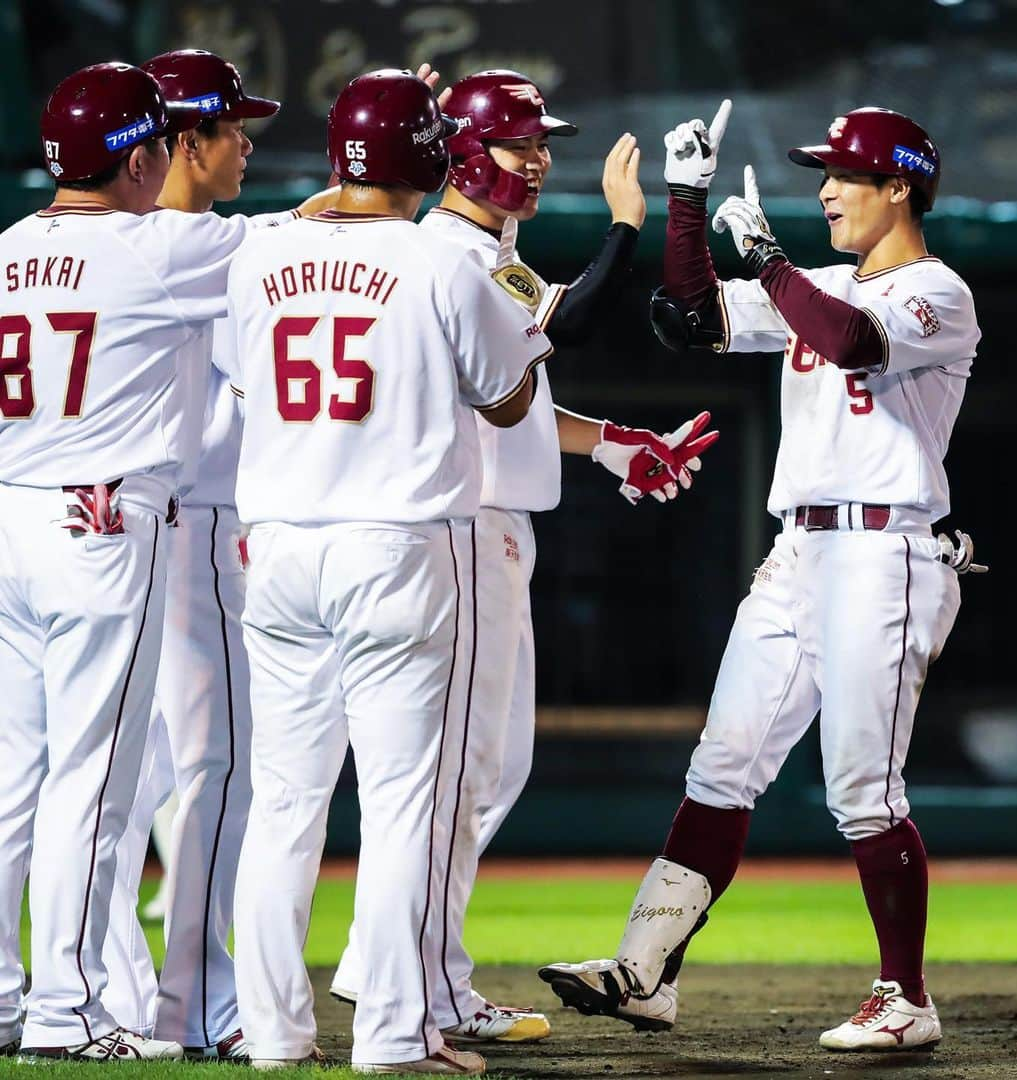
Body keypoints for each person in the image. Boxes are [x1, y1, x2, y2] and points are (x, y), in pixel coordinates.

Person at [539, 103, 985, 1052]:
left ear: (898, 186)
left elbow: (855, 340)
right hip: (799, 552)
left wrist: (773, 265)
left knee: (863, 787)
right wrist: (688, 203)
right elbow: (693, 317)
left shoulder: (939, 290)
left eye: (844, 175)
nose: (825, 188)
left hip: (887, 551)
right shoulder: (813, 283)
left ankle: (905, 996)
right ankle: (645, 971)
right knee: (724, 761)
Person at [226, 68, 634, 1075]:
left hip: (277, 550)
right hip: (398, 548)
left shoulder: (258, 255)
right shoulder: (441, 263)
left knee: (282, 806)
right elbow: (504, 401)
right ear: (433, 154)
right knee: (413, 798)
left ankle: (273, 1035)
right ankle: (398, 1034)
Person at [328, 69, 718, 1046]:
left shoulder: (481, 252)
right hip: (456, 531)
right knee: (460, 774)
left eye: (542, 140)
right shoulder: (453, 251)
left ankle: (408, 970)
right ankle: (411, 979)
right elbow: (571, 325)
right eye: (516, 142)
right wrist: (628, 228)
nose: (538, 158)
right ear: (459, 150)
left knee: (478, 773)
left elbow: (522, 393)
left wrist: (617, 441)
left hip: (474, 525)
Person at [0, 60, 262, 1061]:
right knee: (95, 780)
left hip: (11, 513)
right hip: (98, 523)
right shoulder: (154, 245)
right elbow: (301, 239)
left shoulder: (8, 246)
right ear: (144, 157)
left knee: (15, 777)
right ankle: (66, 1013)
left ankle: (7, 994)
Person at [96, 49, 337, 1060]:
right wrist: (374, 179)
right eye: (233, 128)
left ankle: (101, 995)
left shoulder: (96, 241)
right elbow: (301, 230)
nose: (248, 143)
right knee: (214, 771)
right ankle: (192, 1003)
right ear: (182, 141)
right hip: (189, 531)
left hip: (107, 525)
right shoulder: (186, 247)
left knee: (113, 785)